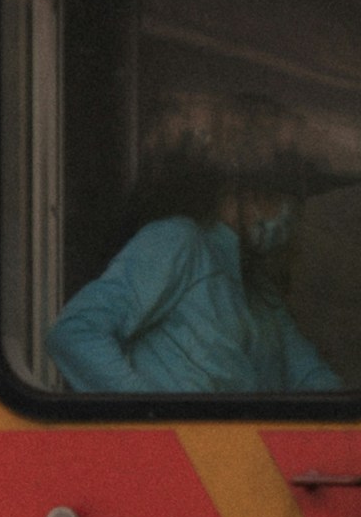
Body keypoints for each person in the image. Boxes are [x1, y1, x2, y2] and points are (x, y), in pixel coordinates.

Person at [51, 127, 343, 398]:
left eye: (295, 206)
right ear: (236, 195)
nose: (286, 216)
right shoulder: (179, 242)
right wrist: (150, 417)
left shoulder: (261, 294)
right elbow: (76, 333)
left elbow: (310, 376)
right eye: (274, 199)